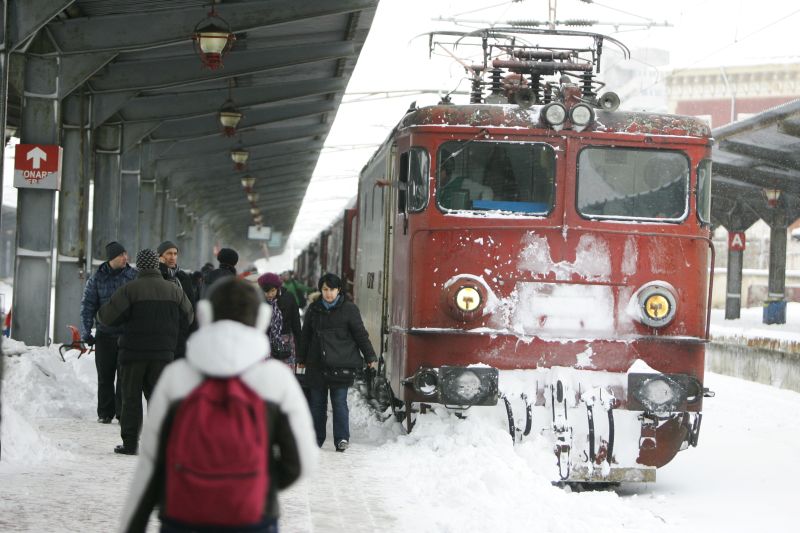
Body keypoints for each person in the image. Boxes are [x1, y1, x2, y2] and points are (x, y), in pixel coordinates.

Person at [117, 277, 318, 533]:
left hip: (183, 517)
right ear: (262, 320)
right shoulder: (276, 380)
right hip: (253, 518)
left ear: (205, 315)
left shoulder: (177, 377)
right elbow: (301, 462)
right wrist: (255, 484)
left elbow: (151, 465)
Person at [97, 249, 194, 455]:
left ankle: (131, 444)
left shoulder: (130, 289)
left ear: (139, 266)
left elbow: (106, 318)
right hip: (163, 355)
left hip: (133, 354)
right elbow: (189, 316)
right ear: (157, 265)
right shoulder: (174, 290)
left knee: (131, 399)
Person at [297, 273, 377, 452]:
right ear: (321, 290)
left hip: (341, 365)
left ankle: (341, 438)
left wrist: (370, 356)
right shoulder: (314, 309)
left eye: (332, 289)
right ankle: (316, 438)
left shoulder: (349, 309)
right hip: (316, 364)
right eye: (325, 289)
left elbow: (360, 334)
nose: (328, 294)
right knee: (317, 404)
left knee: (339, 402)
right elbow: (305, 336)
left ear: (339, 290)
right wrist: (301, 359)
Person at [79, 241, 137, 424]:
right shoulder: (96, 279)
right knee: (105, 375)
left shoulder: (133, 277)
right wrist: (86, 331)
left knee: (124, 377)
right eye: (121, 255)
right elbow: (88, 306)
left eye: (126, 254)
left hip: (126, 335)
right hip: (104, 334)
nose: (125, 258)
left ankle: (121, 412)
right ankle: (105, 412)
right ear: (112, 258)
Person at [156, 241, 197, 359]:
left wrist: (190, 330)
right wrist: (162, 268)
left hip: (180, 333)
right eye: (169, 253)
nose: (172, 257)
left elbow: (191, 304)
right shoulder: (156, 275)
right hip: (160, 333)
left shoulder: (183, 277)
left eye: (175, 254)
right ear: (160, 256)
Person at [258, 272, 301, 364]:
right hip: (266, 343)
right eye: (266, 291)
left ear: (278, 288)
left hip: (286, 342)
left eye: (273, 290)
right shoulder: (259, 301)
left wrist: (299, 347)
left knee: (286, 374)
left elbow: (296, 322)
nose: (270, 294)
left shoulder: (289, 298)